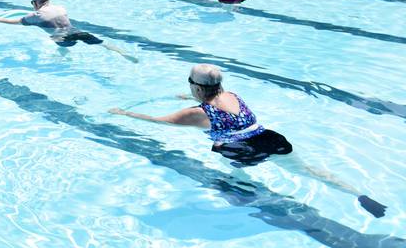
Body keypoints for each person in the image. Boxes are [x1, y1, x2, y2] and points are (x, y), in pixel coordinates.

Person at [109, 64, 387, 218]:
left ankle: (243, 191)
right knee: (310, 171)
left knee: (234, 171)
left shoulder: (196, 114)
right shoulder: (233, 95)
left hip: (240, 150)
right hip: (269, 138)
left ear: (194, 87)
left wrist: (123, 112)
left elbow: (158, 121)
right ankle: (358, 195)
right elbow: (214, 94)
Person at [0, 0, 127, 53]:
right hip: (77, 32)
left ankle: (65, 57)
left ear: (35, 3)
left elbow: (14, 22)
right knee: (102, 43)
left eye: (32, 3)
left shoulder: (36, 16)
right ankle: (122, 52)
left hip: (62, 39)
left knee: (53, 42)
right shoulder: (61, 8)